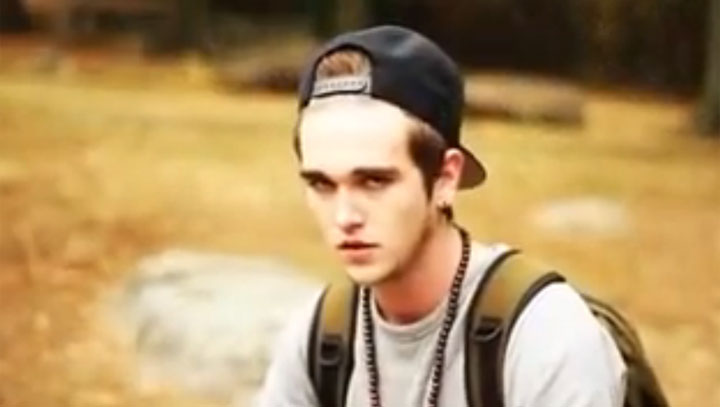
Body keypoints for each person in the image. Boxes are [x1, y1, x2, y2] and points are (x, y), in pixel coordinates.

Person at [255, 25, 626, 407]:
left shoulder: (545, 338)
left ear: (446, 178)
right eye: (322, 184)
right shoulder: (319, 340)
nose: (345, 216)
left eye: (374, 181)